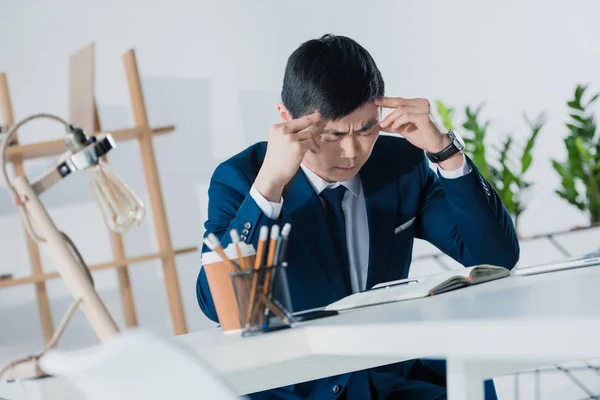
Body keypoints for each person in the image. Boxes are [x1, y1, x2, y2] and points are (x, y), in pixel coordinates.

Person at [196, 34, 519, 399]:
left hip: (390, 378)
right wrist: (267, 190)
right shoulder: (241, 178)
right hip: (299, 387)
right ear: (287, 119)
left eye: (366, 129)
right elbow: (219, 308)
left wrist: (444, 151)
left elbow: (495, 258)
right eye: (332, 134)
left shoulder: (400, 165)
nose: (351, 151)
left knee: (470, 382)